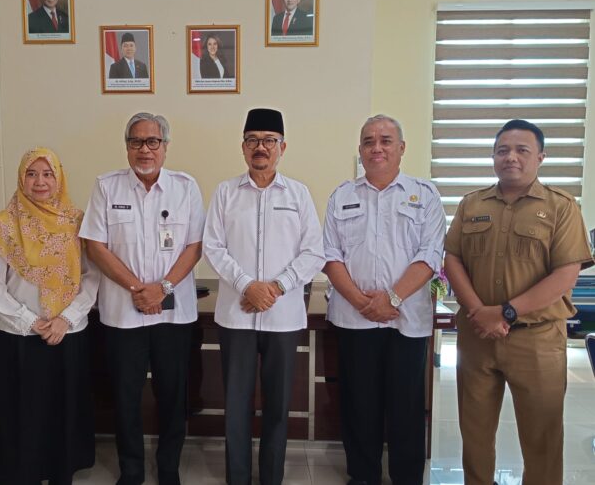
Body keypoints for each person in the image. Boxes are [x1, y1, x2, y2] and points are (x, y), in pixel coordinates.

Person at [444, 119, 594, 485]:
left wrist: (506, 312)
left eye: (522, 150)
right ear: (493, 157)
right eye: (502, 150)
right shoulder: (472, 204)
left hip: (537, 339)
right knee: (475, 434)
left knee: (542, 437)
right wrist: (479, 312)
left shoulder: (561, 207)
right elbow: (453, 259)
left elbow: (565, 275)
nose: (511, 157)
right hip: (477, 337)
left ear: (540, 157)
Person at [79, 112, 205, 485]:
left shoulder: (186, 187)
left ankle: (168, 468)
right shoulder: (107, 187)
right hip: (123, 313)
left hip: (173, 314)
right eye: (136, 142)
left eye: (153, 141)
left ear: (165, 146)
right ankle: (131, 470)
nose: (144, 149)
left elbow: (195, 246)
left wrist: (162, 288)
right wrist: (138, 289)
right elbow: (94, 246)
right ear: (127, 147)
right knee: (125, 396)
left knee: (173, 395)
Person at [203, 108, 324, 485]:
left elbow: (314, 251)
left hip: (283, 317)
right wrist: (247, 286)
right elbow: (213, 246)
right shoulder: (225, 192)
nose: (261, 147)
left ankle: (271, 477)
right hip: (236, 317)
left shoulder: (298, 194)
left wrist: (274, 287)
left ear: (282, 147)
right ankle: (237, 477)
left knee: (278, 404)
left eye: (269, 140)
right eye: (253, 140)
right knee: (236, 404)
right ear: (243, 147)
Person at [322, 114, 445, 485]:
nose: (376, 148)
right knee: (359, 404)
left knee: (406, 405)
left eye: (385, 140)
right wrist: (363, 302)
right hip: (353, 318)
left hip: (407, 320)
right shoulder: (342, 196)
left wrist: (391, 298)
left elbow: (430, 255)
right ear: (360, 150)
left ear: (401, 148)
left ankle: (406, 477)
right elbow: (330, 256)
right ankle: (363, 476)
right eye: (368, 141)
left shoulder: (424, 195)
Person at [0, 147, 100, 485]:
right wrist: (29, 321)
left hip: (67, 333)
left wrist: (67, 318)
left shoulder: (77, 221)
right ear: (21, 179)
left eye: (48, 174)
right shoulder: (4, 224)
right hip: (20, 335)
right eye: (31, 174)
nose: (40, 181)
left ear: (59, 178)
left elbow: (92, 276)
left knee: (63, 409)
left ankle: (61, 472)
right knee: (23, 411)